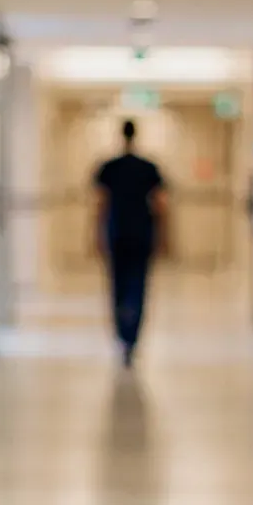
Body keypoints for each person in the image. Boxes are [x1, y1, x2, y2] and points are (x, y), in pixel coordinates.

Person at [93, 119, 168, 365]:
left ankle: (122, 337)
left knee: (118, 286)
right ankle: (132, 338)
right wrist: (166, 237)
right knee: (138, 286)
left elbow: (100, 206)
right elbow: (160, 206)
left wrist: (95, 235)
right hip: (142, 233)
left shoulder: (109, 168)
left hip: (117, 233)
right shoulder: (148, 168)